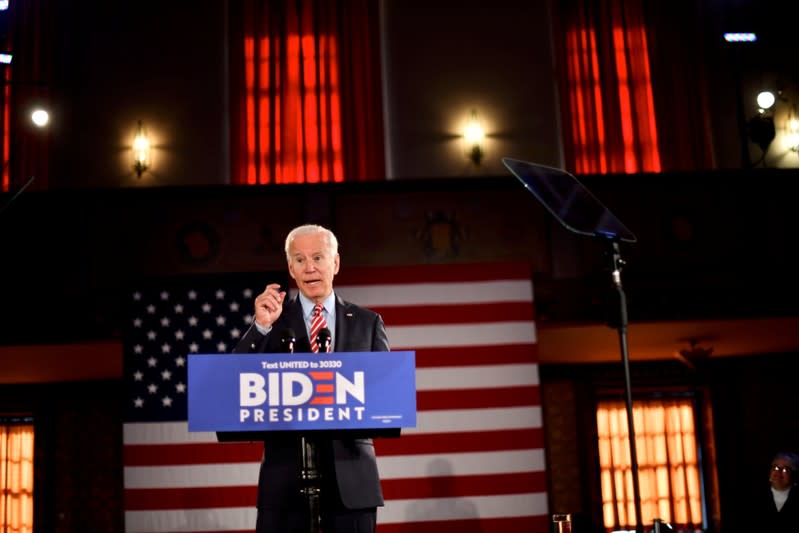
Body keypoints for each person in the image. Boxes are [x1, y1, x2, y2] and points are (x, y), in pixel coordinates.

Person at [233, 223, 389, 533]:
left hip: (351, 482)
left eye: (318, 257)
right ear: (290, 267)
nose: (310, 268)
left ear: (336, 263)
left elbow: (384, 392)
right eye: (300, 260)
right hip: (284, 483)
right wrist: (261, 327)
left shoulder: (367, 323)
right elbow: (234, 382)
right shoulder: (272, 322)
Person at [748, 451, 799, 531]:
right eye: (775, 467)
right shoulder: (754, 497)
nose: (778, 472)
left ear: (794, 475)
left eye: (785, 469)